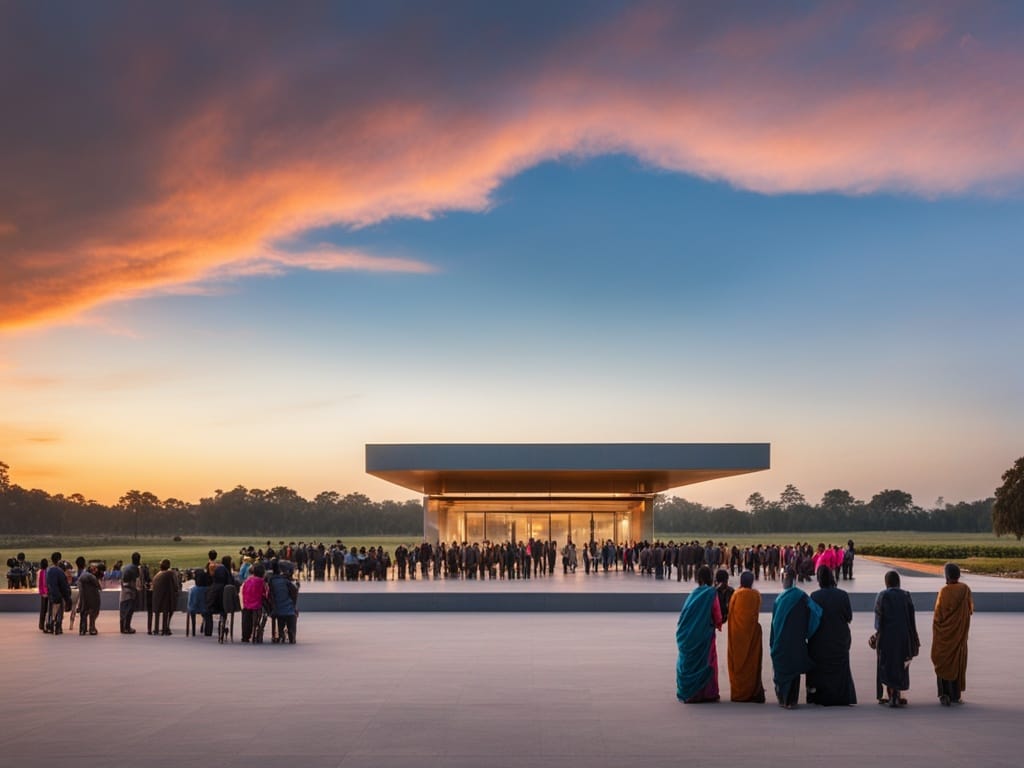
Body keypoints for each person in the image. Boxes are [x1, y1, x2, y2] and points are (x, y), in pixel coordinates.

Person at [770, 569, 821, 708]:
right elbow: (816, 614)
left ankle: (784, 699)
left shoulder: (780, 599)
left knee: (785, 669)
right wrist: (807, 632)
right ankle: (791, 700)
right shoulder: (802, 596)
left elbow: (773, 623)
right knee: (793, 667)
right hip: (796, 640)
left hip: (781, 641)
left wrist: (772, 641)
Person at [807, 565, 856, 705]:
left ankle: (818, 696)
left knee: (819, 667)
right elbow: (849, 617)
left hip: (820, 641)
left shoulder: (815, 596)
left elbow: (811, 620)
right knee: (840, 667)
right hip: (839, 639)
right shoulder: (843, 595)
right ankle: (842, 697)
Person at [675, 565, 722, 703]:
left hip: (688, 635)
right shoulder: (711, 593)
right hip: (704, 635)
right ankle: (708, 693)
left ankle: (690, 693)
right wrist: (718, 624)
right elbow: (717, 614)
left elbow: (684, 616)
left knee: (691, 662)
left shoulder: (693, 594)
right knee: (708, 661)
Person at [874, 570, 920, 707]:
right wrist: (914, 637)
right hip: (903, 636)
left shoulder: (882, 595)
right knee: (901, 665)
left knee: (887, 664)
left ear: (886, 583)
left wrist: (877, 634)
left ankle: (890, 694)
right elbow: (911, 618)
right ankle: (897, 693)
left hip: (886, 636)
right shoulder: (906, 595)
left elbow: (878, 620)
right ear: (898, 582)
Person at [931, 562, 973, 706]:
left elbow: (938, 616)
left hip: (943, 635)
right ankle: (956, 695)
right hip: (959, 635)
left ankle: (944, 693)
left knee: (943, 660)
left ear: (947, 576)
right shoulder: (965, 589)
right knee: (956, 661)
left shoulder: (944, 591)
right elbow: (970, 609)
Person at [727, 571, 765, 702]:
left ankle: (738, 693)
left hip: (736, 636)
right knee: (752, 663)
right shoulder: (755, 595)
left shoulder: (736, 595)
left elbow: (731, 613)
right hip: (752, 635)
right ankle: (751, 691)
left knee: (737, 663)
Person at [240, 563, 268, 643]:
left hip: (246, 604)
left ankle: (245, 636)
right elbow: (265, 593)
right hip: (257, 605)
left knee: (246, 616)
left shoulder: (247, 580)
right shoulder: (262, 582)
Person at [150, 559, 179, 635]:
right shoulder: (171, 573)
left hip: (156, 598)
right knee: (166, 609)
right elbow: (176, 586)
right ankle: (165, 628)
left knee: (158, 613)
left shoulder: (157, 575)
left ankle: (156, 629)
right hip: (166, 598)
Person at [76, 562, 104, 635]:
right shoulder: (92, 577)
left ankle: (82, 629)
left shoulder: (83, 575)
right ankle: (92, 628)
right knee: (93, 611)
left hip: (83, 596)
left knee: (84, 611)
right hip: (92, 596)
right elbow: (100, 587)